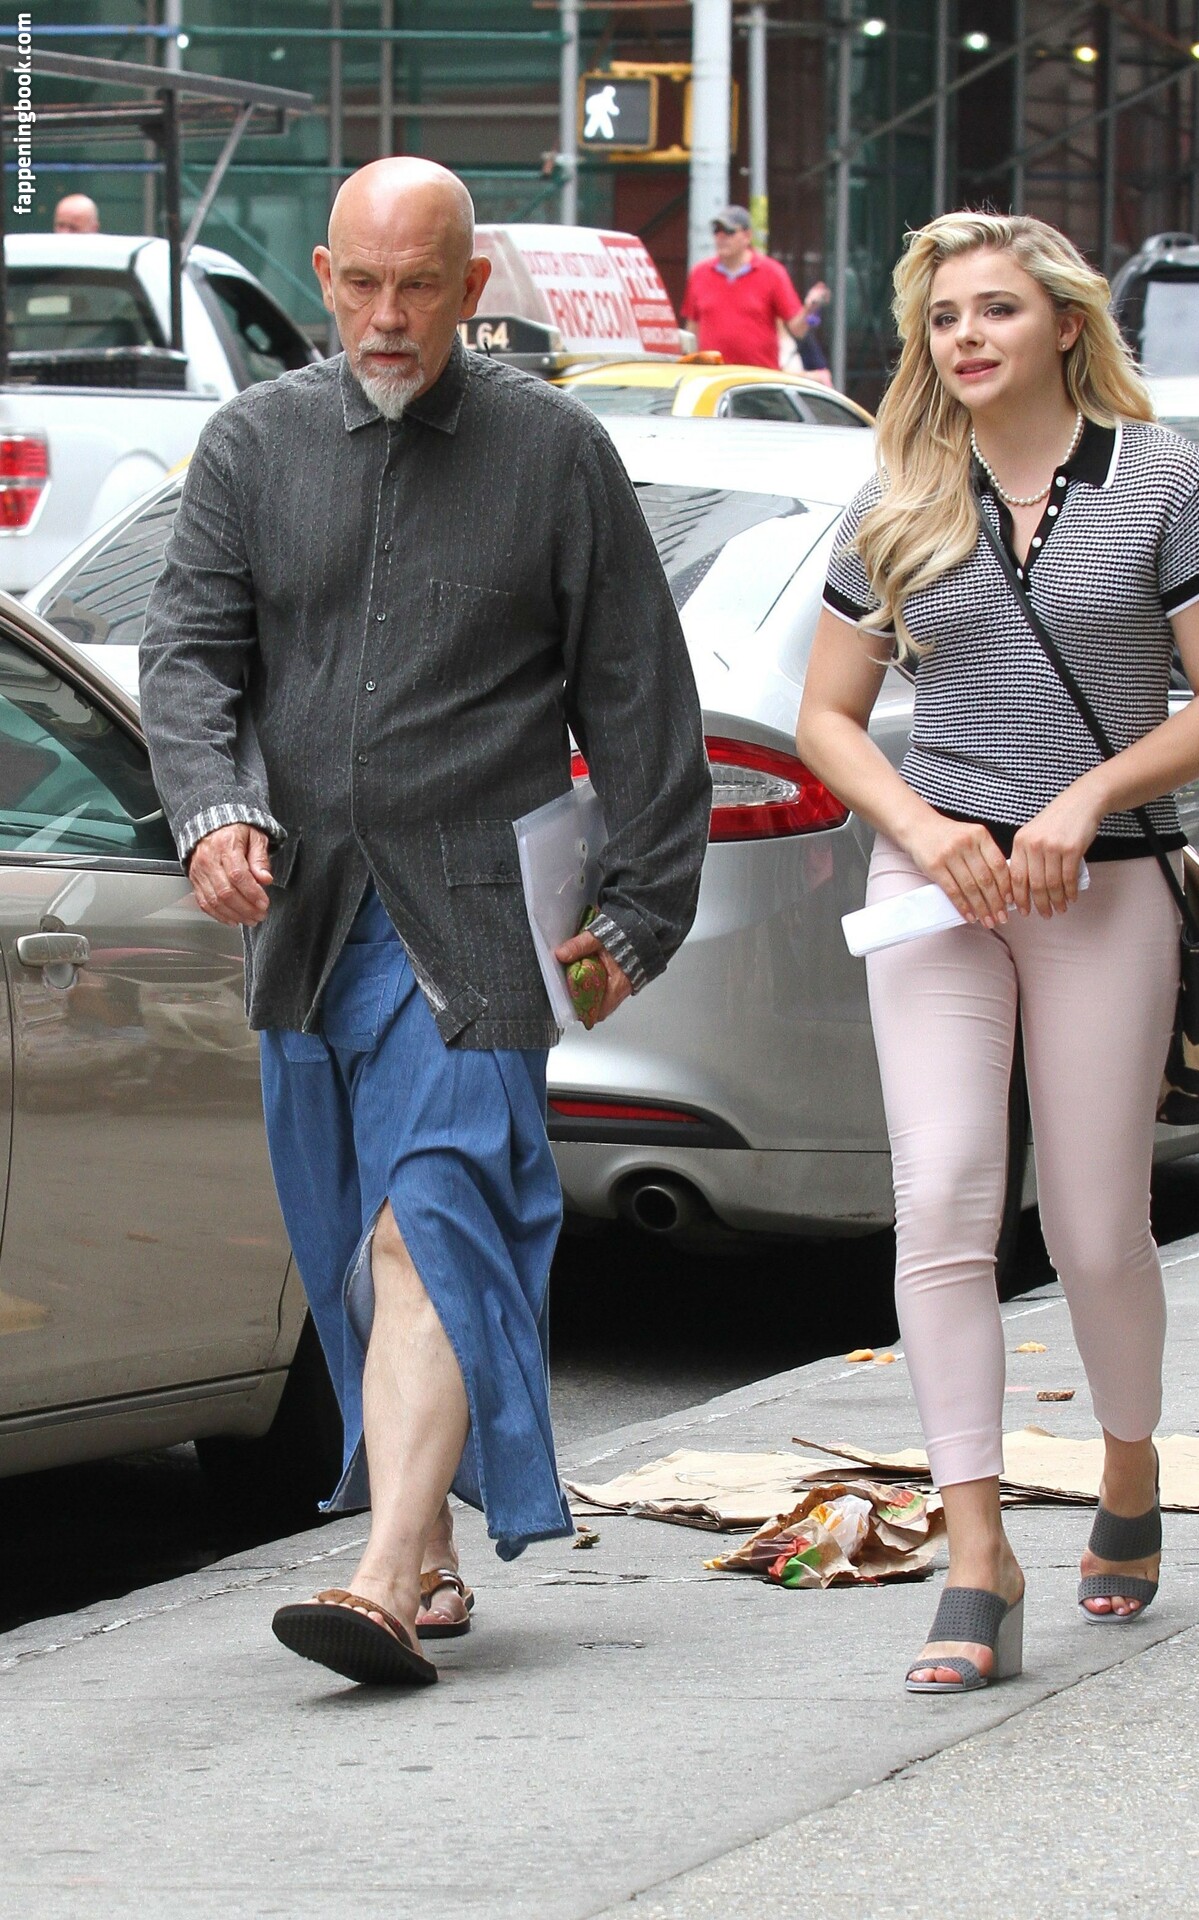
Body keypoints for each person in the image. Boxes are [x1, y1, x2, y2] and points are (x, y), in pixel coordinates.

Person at [139, 157, 711, 1690]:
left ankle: (385, 1575)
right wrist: (215, 808)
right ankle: (432, 1541)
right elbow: (189, 658)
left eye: (419, 287)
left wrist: (635, 919)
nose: (389, 317)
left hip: (478, 925)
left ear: (471, 287)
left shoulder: (555, 454)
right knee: (352, 1247)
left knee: (432, 1224)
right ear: (325, 280)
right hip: (307, 922)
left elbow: (639, 698)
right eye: (363, 285)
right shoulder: (251, 445)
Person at [796, 212, 1199, 1694]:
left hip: (1100, 884)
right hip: (935, 886)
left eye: (996, 309)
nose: (966, 339)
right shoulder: (899, 492)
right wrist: (921, 827)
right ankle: (975, 1554)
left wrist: (1087, 797)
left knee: (1092, 1225)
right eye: (944, 318)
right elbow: (826, 718)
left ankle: (1127, 1464)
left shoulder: (1164, 481)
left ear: (1065, 323)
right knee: (939, 1198)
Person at [680, 205, 828, 371]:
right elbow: (691, 331)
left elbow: (797, 329)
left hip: (756, 379)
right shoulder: (699, 274)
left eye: (729, 231)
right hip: (712, 378)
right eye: (716, 230)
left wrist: (809, 309)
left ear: (747, 236)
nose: (721, 237)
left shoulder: (772, 272)